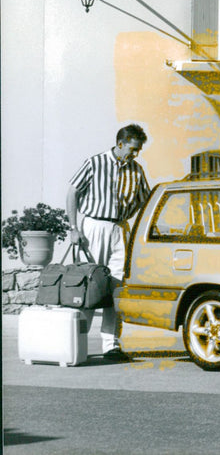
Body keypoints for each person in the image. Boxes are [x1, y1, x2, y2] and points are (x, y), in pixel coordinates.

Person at [66, 123, 151, 361]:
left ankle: (111, 346)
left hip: (120, 228)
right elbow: (72, 192)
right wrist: (74, 228)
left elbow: (145, 200)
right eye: (133, 149)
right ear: (120, 143)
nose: (135, 154)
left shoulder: (137, 170)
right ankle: (77, 343)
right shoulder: (95, 163)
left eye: (139, 150)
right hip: (93, 226)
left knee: (116, 288)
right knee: (89, 286)